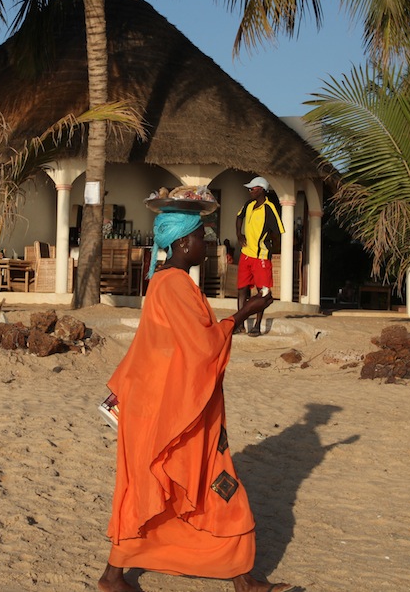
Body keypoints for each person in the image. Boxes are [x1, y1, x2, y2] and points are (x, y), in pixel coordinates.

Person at [99, 208, 297, 592]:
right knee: (190, 484)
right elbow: (202, 346)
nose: (207, 246)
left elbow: (166, 343)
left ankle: (240, 578)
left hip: (168, 401)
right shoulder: (173, 285)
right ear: (182, 243)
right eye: (202, 238)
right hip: (169, 409)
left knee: (179, 483)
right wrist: (243, 314)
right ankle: (114, 576)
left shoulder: (167, 282)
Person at [235, 176, 284, 337]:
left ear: (262, 189)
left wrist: (272, 249)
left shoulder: (270, 208)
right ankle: (240, 324)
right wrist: (239, 234)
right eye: (249, 188)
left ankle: (257, 325)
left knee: (262, 292)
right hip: (245, 254)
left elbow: (278, 231)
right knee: (241, 289)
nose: (250, 191)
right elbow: (239, 217)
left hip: (261, 256)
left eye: (253, 188)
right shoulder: (248, 204)